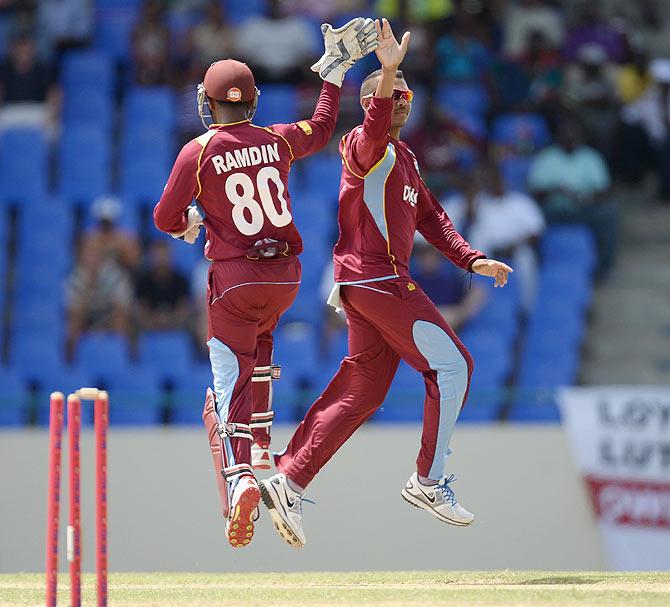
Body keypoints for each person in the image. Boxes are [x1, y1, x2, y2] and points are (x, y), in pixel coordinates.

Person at [260, 19, 512, 548]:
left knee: (363, 390)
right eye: (389, 94)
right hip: (376, 279)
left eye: (406, 94)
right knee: (453, 365)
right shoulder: (361, 144)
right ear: (370, 101)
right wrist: (388, 68)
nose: (400, 101)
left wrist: (474, 261)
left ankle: (289, 477)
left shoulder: (408, 160)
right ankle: (428, 478)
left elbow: (434, 221)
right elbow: (371, 133)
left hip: (369, 284)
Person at [152, 19, 378, 548]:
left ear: (208, 106)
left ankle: (240, 483)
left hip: (234, 279)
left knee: (225, 387)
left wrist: (191, 221)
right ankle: (259, 453)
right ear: (254, 103)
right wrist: (332, 76)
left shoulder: (199, 150)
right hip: (286, 277)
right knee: (258, 358)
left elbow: (164, 217)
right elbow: (323, 128)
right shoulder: (277, 140)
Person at [528, 117, 617, 276]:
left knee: (608, 214)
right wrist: (554, 189)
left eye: (573, 135)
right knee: (529, 217)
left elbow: (604, 191)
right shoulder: (547, 157)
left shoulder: (591, 157)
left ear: (580, 137)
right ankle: (537, 264)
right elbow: (535, 192)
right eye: (566, 135)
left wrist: (584, 196)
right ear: (558, 137)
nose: (570, 138)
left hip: (582, 210)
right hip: (552, 210)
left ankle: (602, 268)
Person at [135, 240, 191, 332]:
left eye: (165, 256)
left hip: (176, 323)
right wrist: (156, 320)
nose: (162, 260)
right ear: (152, 258)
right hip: (149, 324)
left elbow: (183, 308)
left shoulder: (181, 280)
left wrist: (169, 320)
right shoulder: (143, 281)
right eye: (158, 256)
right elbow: (142, 308)